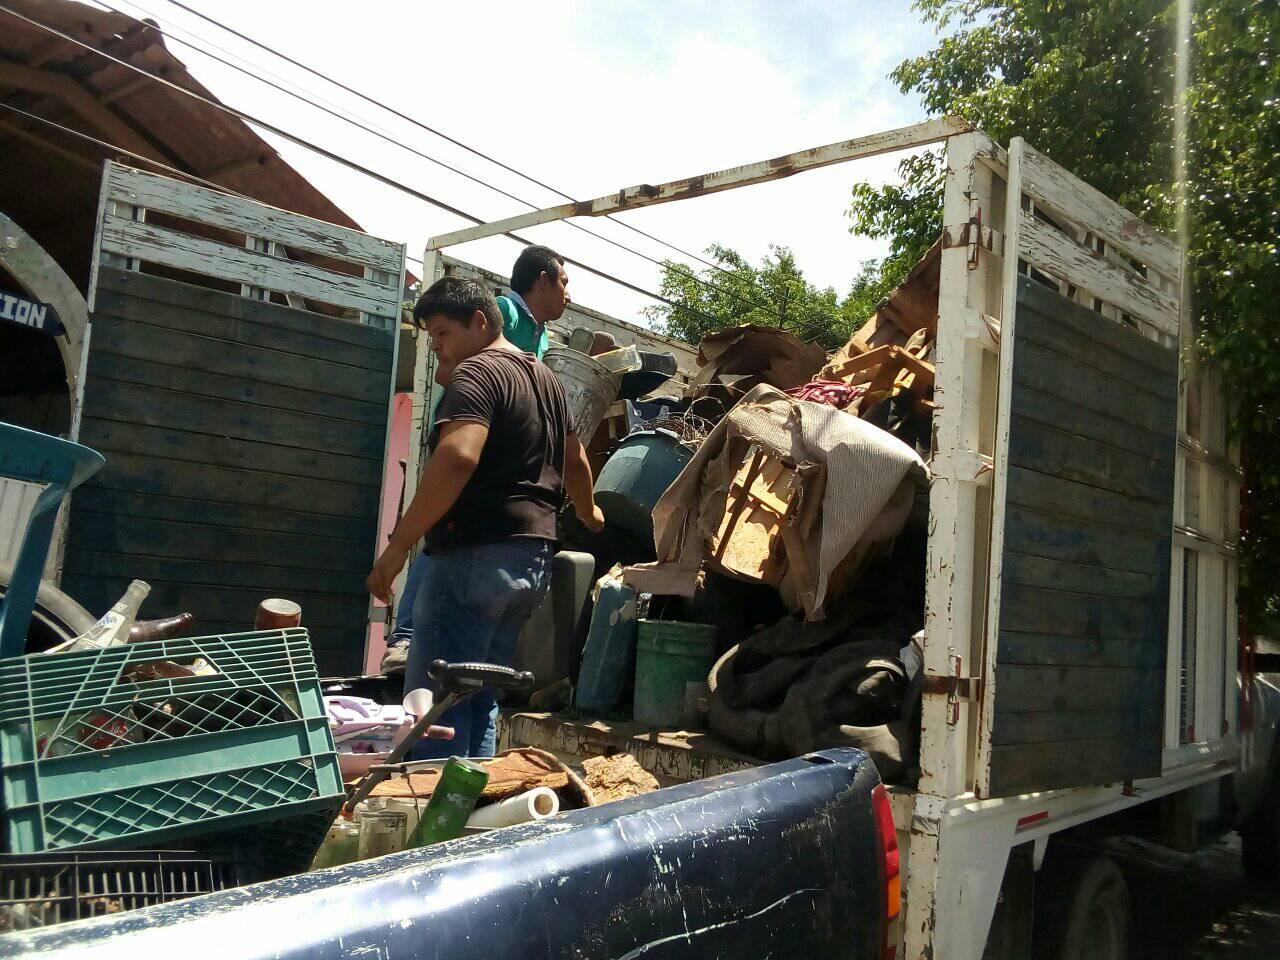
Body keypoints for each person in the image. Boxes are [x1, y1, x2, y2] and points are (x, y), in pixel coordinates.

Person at [367, 276, 604, 758]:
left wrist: (396, 549)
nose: (437, 347)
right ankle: (472, 816)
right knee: (480, 700)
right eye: (431, 337)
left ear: (479, 321)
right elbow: (576, 461)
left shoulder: (478, 374)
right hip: (529, 564)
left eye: (442, 333)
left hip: (472, 561)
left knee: (435, 708)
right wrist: (589, 510)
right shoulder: (547, 382)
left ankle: (429, 826)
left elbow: (458, 457)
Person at [496, 245, 570, 358]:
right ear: (544, 280)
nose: (568, 297)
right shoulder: (503, 309)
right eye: (563, 283)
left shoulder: (542, 333)